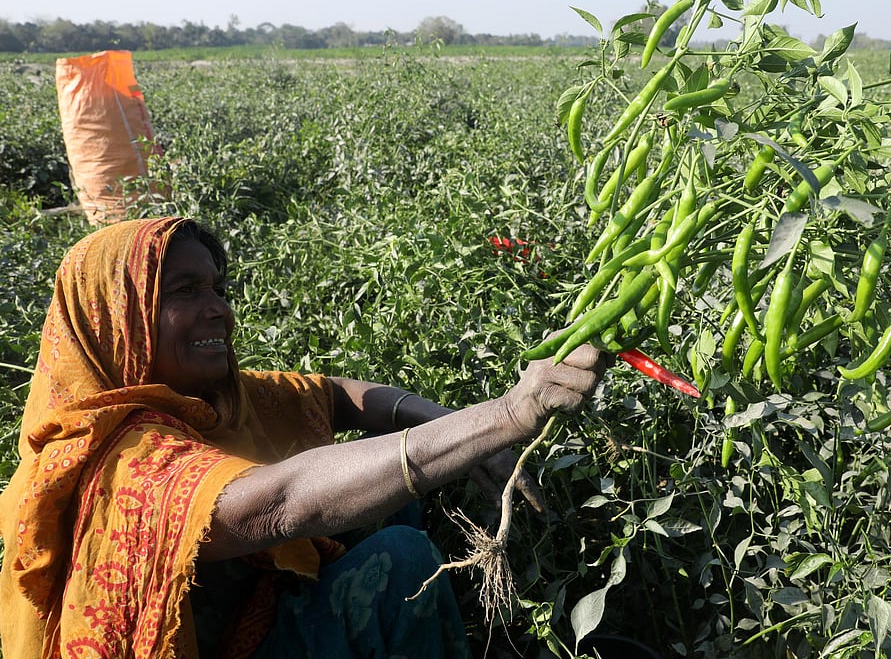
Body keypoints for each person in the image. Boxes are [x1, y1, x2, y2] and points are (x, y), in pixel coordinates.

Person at [0, 216, 608, 658]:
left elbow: (333, 394)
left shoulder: (221, 399)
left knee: (398, 497)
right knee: (401, 558)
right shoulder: (116, 457)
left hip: (248, 618)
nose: (218, 309)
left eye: (218, 287)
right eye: (184, 292)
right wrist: (501, 417)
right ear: (117, 318)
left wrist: (443, 422)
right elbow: (278, 504)